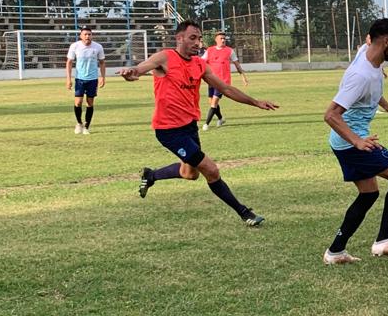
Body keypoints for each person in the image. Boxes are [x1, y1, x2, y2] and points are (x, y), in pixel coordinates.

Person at [118, 20, 279, 226]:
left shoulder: (200, 65)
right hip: (169, 130)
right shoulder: (164, 57)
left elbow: (227, 89)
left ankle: (151, 175)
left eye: (200, 38)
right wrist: (130, 73)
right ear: (179, 38)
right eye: (193, 38)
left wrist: (256, 102)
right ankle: (245, 213)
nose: (198, 43)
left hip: (189, 127)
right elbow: (140, 70)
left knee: (190, 173)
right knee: (211, 170)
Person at [323, 18, 388, 263]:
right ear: (386, 41)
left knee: (368, 195)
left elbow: (374, 88)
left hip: (346, 141)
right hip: (351, 142)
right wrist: (357, 141)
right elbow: (330, 115)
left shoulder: (368, 52)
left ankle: (335, 251)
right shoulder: (360, 75)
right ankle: (384, 240)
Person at [202, 31, 248, 129]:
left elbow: (237, 65)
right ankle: (221, 118)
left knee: (214, 103)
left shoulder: (229, 51)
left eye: (224, 38)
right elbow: (200, 62)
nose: (223, 40)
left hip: (223, 82)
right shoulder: (209, 50)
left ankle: (206, 124)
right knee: (212, 103)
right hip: (211, 81)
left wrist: (243, 77)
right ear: (216, 40)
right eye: (221, 38)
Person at [65, 27, 106, 134]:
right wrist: (68, 79)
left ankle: (86, 127)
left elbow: (102, 62)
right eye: (85, 34)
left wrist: (102, 77)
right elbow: (69, 62)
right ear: (81, 36)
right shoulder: (75, 46)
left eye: (89, 34)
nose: (87, 36)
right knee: (78, 102)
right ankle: (79, 123)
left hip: (92, 79)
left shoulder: (98, 47)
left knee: (90, 102)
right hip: (80, 79)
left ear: (92, 35)